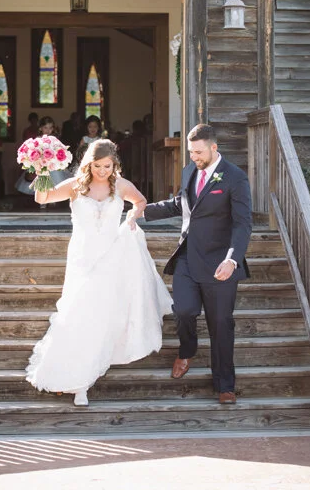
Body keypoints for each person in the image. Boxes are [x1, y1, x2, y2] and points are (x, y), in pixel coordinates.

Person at [25, 139, 172, 406]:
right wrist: (42, 170)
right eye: (97, 165)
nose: (103, 171)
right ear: (88, 163)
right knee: (78, 314)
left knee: (99, 317)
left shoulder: (121, 185)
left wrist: (132, 215)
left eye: (107, 166)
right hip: (83, 258)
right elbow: (42, 198)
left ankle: (83, 380)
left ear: (114, 164)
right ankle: (74, 378)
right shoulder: (75, 185)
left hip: (111, 257)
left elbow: (140, 200)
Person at [143, 124, 252, 405]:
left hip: (220, 263)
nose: (194, 157)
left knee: (221, 324)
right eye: (191, 152)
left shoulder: (235, 177)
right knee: (183, 310)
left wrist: (232, 259)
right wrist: (141, 210)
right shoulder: (190, 170)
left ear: (214, 148)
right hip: (188, 258)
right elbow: (181, 203)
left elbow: (242, 224)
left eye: (199, 152)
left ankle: (225, 384)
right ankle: (187, 349)